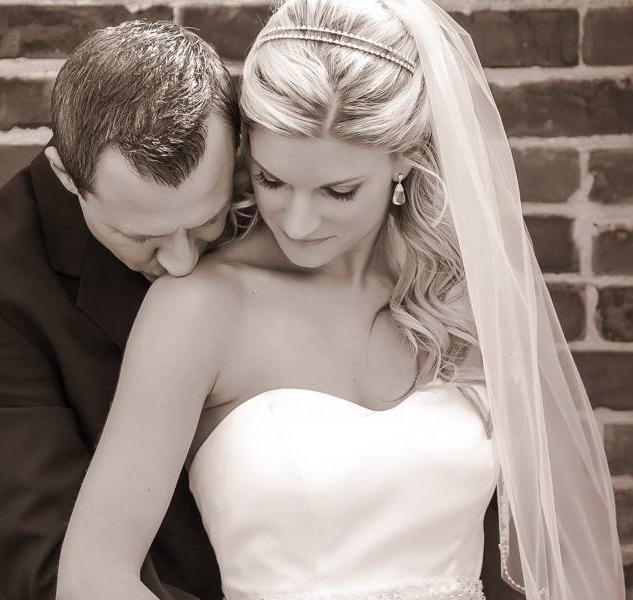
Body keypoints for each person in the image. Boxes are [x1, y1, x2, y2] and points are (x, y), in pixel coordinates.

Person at [55, 0, 625, 599]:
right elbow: (94, 578)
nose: (298, 223)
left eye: (339, 190)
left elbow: (557, 546)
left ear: (403, 160)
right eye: (273, 181)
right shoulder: (198, 310)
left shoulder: (462, 298)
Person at [0, 20, 241, 600]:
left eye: (208, 220)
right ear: (66, 175)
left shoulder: (285, 203)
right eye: (144, 237)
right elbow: (54, 567)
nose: (183, 262)